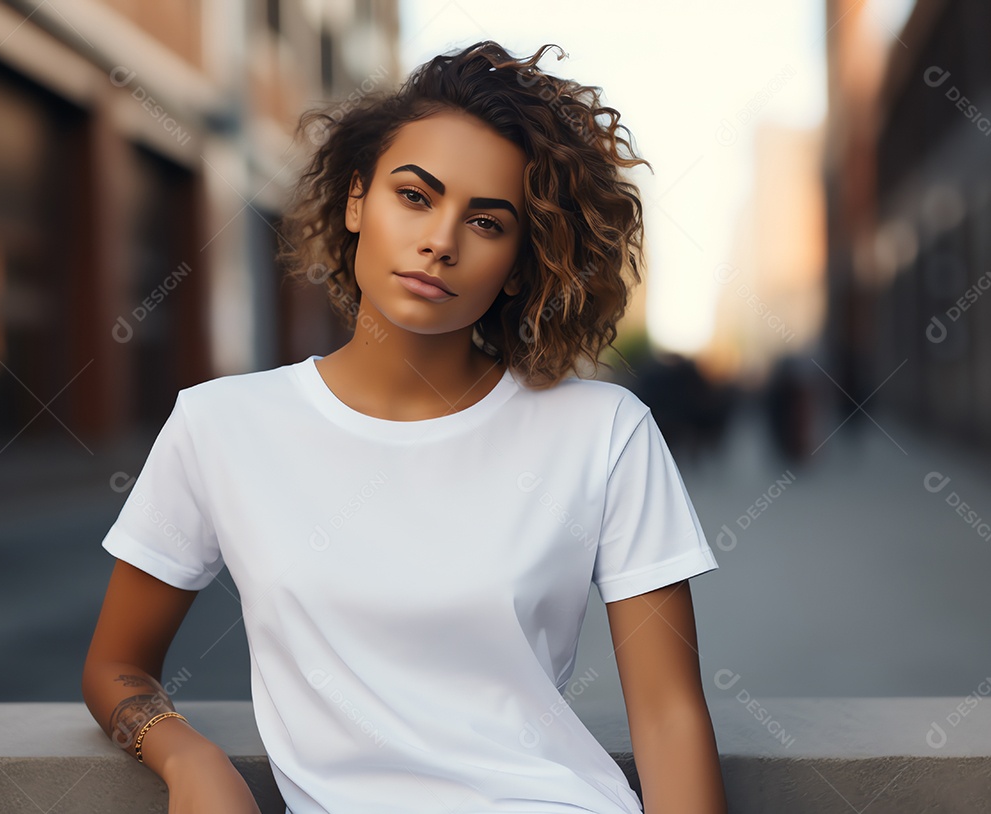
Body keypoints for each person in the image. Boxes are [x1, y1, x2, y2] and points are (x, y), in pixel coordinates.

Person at [82, 40, 727, 814]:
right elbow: (115, 667)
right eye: (415, 196)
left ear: (521, 264)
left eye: (487, 223)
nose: (440, 242)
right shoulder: (222, 424)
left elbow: (668, 716)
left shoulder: (604, 431)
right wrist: (185, 757)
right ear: (357, 201)